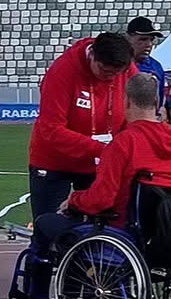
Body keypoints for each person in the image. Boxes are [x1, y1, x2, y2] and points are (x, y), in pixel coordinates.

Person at [24, 73, 171, 299]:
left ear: (127, 102)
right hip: (162, 234)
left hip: (119, 232)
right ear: (157, 103)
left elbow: (101, 199)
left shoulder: (124, 144)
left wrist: (74, 201)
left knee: (48, 225)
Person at [28, 30, 134, 221]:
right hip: (54, 161)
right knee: (49, 223)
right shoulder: (62, 71)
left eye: (117, 73)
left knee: (103, 223)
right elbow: (51, 129)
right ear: (92, 54)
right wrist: (104, 149)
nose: (111, 78)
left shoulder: (126, 69)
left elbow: (136, 111)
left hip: (100, 163)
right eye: (105, 71)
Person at [126, 17, 166, 108]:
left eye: (151, 40)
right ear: (128, 38)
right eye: (143, 39)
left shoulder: (156, 67)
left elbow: (160, 103)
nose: (149, 44)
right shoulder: (116, 65)